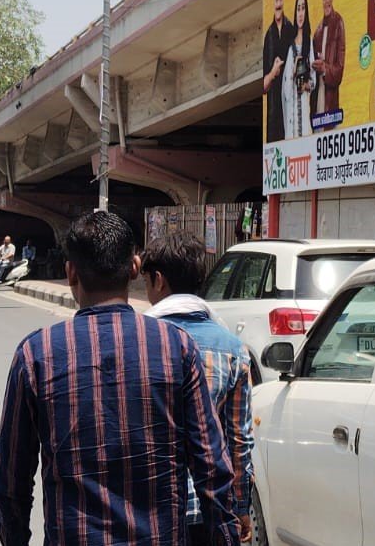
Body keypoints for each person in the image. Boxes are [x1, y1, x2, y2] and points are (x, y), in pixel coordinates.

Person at [0, 211, 240, 546]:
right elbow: (212, 467)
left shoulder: (37, 354)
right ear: (135, 267)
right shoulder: (176, 347)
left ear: (71, 273)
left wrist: (15, 539)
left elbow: (11, 481)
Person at [142, 232, 254, 546]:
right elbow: (239, 440)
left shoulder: (138, 343)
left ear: (158, 280)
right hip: (210, 510)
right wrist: (240, 507)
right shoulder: (233, 348)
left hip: (149, 509)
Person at [261, 0, 295, 142]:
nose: (279, 2)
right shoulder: (268, 36)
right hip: (273, 117)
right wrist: (273, 72)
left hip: (289, 115)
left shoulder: (291, 30)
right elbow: (263, 86)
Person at [311, 0, 345, 129]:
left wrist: (325, 69)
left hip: (331, 108)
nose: (327, 0)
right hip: (316, 107)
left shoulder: (338, 23)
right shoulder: (317, 32)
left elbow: (340, 69)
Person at [281, 0, 317, 139]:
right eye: (298, 9)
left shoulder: (309, 44)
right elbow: (286, 92)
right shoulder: (291, 48)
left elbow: (314, 81)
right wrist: (294, 71)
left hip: (305, 113)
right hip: (292, 121)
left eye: (303, 8)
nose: (300, 13)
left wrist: (306, 86)